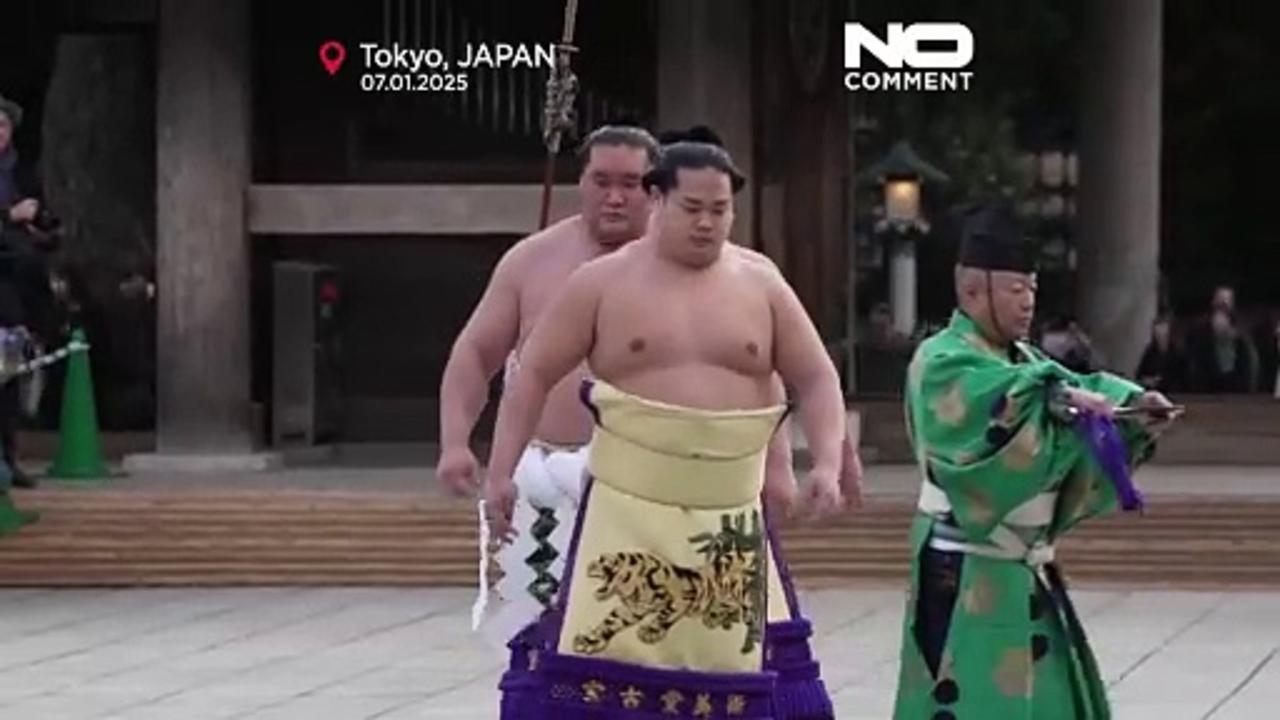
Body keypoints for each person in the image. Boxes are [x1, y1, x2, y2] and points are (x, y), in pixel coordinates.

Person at [483, 139, 859, 717]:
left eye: (720, 209)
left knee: (744, 679)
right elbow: (530, 374)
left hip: (729, 516)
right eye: (693, 208)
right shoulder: (600, 283)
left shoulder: (761, 282)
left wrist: (827, 464)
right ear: (656, 199)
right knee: (603, 676)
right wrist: (501, 471)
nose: (708, 223)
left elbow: (815, 378)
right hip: (627, 514)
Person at [891, 203, 1179, 719]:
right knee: (971, 704)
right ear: (972, 291)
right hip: (962, 570)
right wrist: (1057, 397)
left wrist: (1134, 405)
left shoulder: (1024, 360)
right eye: (1016, 290)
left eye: (1032, 291)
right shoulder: (941, 359)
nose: (1028, 304)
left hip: (1026, 569)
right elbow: (1009, 394)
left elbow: (1078, 385)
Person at [437, 124, 662, 648]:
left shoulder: (689, 267)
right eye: (601, 180)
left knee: (643, 644)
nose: (614, 196)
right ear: (579, 182)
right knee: (542, 641)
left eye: (630, 183)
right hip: (543, 477)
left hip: (652, 479)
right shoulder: (532, 260)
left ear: (655, 189)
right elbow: (474, 354)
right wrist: (454, 441)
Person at [1135, 315, 1189, 393]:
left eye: (1163, 334)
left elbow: (1183, 379)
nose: (1160, 337)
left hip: (1173, 394)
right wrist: (1147, 380)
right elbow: (1139, 375)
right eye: (1157, 334)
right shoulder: (1150, 352)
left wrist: (1161, 381)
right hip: (1152, 393)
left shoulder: (1178, 353)